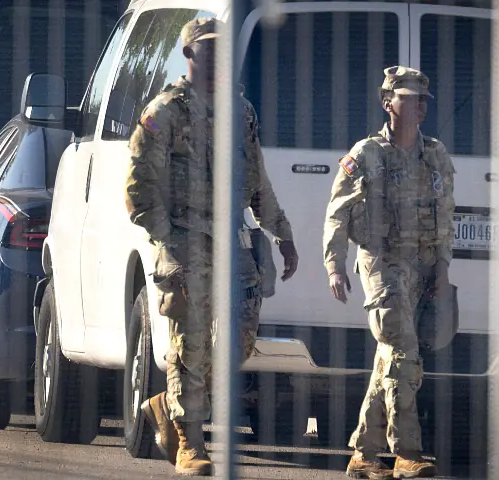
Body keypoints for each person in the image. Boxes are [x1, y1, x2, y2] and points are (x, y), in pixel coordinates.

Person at [124, 17, 299, 476]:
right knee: (192, 342)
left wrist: (282, 233)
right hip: (183, 241)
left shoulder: (240, 112)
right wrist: (166, 245)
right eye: (207, 50)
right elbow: (140, 191)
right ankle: (190, 442)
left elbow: (257, 179)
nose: (217, 59)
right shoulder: (164, 112)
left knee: (240, 341)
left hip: (233, 241)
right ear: (189, 55)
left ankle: (168, 401)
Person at [322, 66, 455, 479]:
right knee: (404, 351)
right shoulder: (366, 154)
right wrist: (334, 265)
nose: (417, 105)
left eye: (422, 100)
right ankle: (407, 452)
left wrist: (442, 270)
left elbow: (446, 215)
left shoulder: (436, 154)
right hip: (381, 263)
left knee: (390, 361)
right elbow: (337, 212)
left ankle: (364, 454)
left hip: (423, 267)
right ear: (388, 104)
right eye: (408, 98)